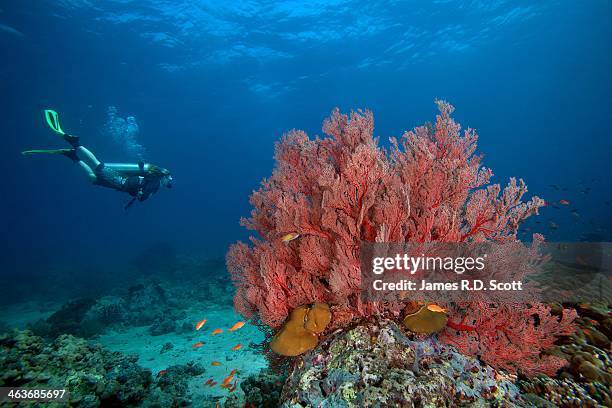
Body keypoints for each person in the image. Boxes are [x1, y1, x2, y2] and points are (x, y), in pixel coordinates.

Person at [23, 110, 173, 209]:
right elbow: (142, 196)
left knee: (93, 179)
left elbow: (140, 191)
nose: (168, 182)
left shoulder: (155, 179)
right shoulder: (156, 183)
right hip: (121, 182)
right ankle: (75, 143)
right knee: (98, 166)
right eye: (169, 180)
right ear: (165, 177)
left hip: (122, 183)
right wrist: (142, 196)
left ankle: (72, 155)